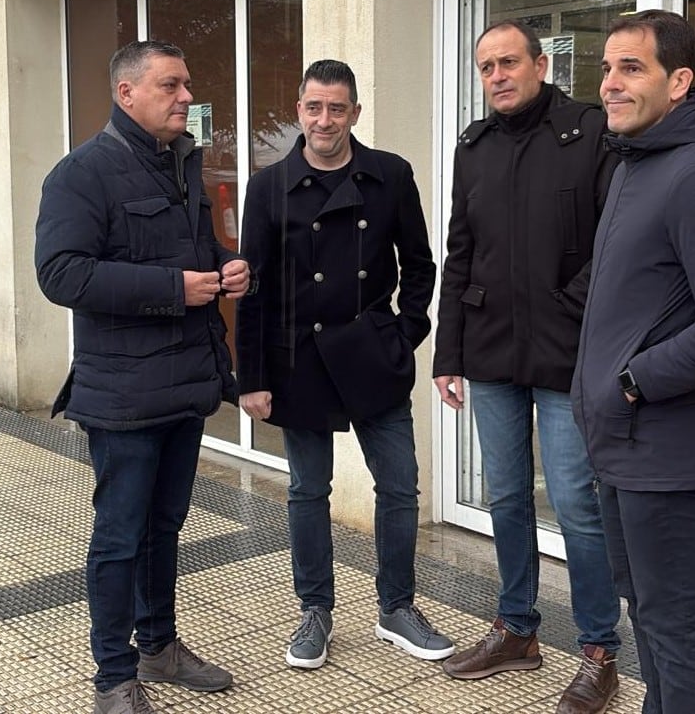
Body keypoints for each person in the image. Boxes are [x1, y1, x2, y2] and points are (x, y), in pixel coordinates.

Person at [35, 40, 248, 714]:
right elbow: (60, 273)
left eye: (186, 84)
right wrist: (171, 288)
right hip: (122, 395)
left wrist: (226, 264)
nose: (186, 96)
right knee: (120, 536)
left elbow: (191, 249)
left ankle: (159, 646)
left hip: (185, 385)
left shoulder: (181, 164)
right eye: (171, 85)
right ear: (127, 93)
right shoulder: (81, 174)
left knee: (165, 525)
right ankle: (113, 677)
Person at [572, 10, 695, 714]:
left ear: (679, 80)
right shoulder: (636, 163)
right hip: (623, 444)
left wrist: (633, 380)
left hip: (667, 445)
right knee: (649, 620)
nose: (611, 83)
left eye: (632, 68)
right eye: (606, 67)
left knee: (678, 632)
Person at [236, 59, 454, 671]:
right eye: (313, 107)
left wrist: (401, 333)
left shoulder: (389, 175)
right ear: (299, 111)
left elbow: (420, 265)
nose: (324, 119)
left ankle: (397, 608)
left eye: (337, 108)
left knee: (400, 486)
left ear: (354, 113)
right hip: (298, 360)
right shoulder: (269, 186)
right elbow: (253, 287)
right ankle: (315, 611)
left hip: (371, 357)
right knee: (308, 491)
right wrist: (249, 377)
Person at [434, 20, 622, 714]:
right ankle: (517, 628)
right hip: (489, 350)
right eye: (486, 67)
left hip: (565, 352)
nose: (498, 76)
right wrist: (447, 352)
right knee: (506, 497)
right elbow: (460, 253)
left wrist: (570, 310)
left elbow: (614, 242)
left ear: (541, 63)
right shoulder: (474, 147)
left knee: (574, 501)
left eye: (509, 62)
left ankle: (599, 649)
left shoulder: (588, 132)